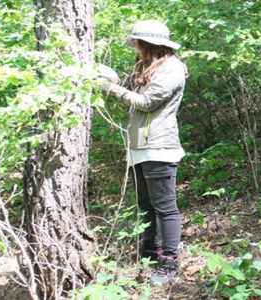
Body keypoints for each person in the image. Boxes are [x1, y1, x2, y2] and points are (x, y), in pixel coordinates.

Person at [98, 19, 188, 287]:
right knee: (146, 205)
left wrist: (111, 89)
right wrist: (114, 79)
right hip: (139, 148)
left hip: (159, 147)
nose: (134, 47)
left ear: (149, 43)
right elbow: (133, 88)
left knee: (165, 207)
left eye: (136, 43)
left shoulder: (173, 68)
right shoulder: (148, 66)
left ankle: (169, 262)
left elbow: (148, 103)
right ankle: (150, 253)